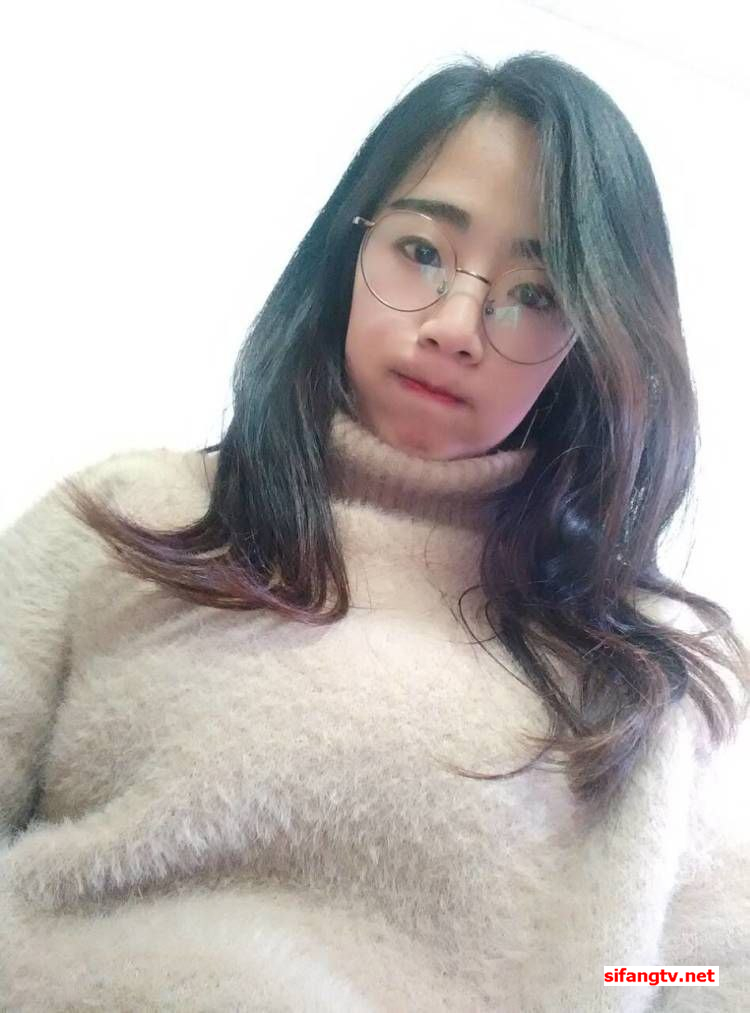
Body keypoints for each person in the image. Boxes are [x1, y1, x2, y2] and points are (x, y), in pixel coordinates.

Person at [1, 51, 748, 1011]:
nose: (456, 324)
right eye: (422, 251)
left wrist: (647, 983)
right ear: (347, 252)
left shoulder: (645, 672)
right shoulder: (130, 518)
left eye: (536, 295)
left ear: (590, 344)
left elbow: (694, 970)